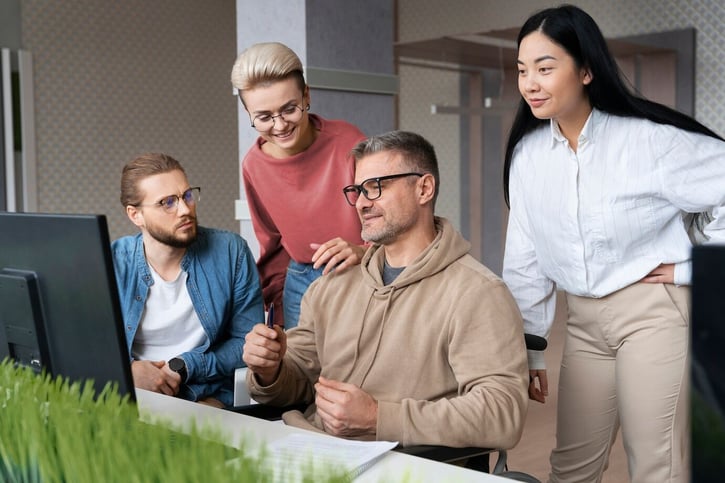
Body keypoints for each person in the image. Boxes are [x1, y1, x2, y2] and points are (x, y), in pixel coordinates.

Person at [502, 5, 725, 483]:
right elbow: (524, 260)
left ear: (585, 70)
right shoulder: (527, 156)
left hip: (653, 315)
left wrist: (691, 266)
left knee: (656, 465)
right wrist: (530, 348)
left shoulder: (647, 141)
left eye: (545, 68)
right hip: (582, 322)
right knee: (571, 468)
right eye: (522, 70)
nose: (530, 83)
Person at [242, 130, 529, 449]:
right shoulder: (331, 286)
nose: (363, 203)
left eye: (376, 187)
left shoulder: (477, 293)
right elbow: (298, 380)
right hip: (305, 447)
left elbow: (502, 414)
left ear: (424, 188)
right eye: (358, 190)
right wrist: (270, 369)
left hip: (399, 464)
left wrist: (380, 418)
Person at [230, 42, 367, 329]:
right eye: (264, 117)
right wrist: (275, 311)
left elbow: (387, 217)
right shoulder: (253, 165)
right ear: (249, 115)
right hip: (300, 280)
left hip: (360, 274)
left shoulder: (349, 142)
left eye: (289, 109)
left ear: (306, 96)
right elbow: (272, 245)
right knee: (299, 371)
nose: (279, 125)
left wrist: (364, 252)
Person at [112, 152, 264, 408]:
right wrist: (128, 370)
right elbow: (84, 346)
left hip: (207, 389)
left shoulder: (231, 251)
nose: (185, 209)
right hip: (134, 393)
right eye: (167, 203)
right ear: (135, 215)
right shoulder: (113, 261)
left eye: (187, 196)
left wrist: (184, 366)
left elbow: (247, 342)